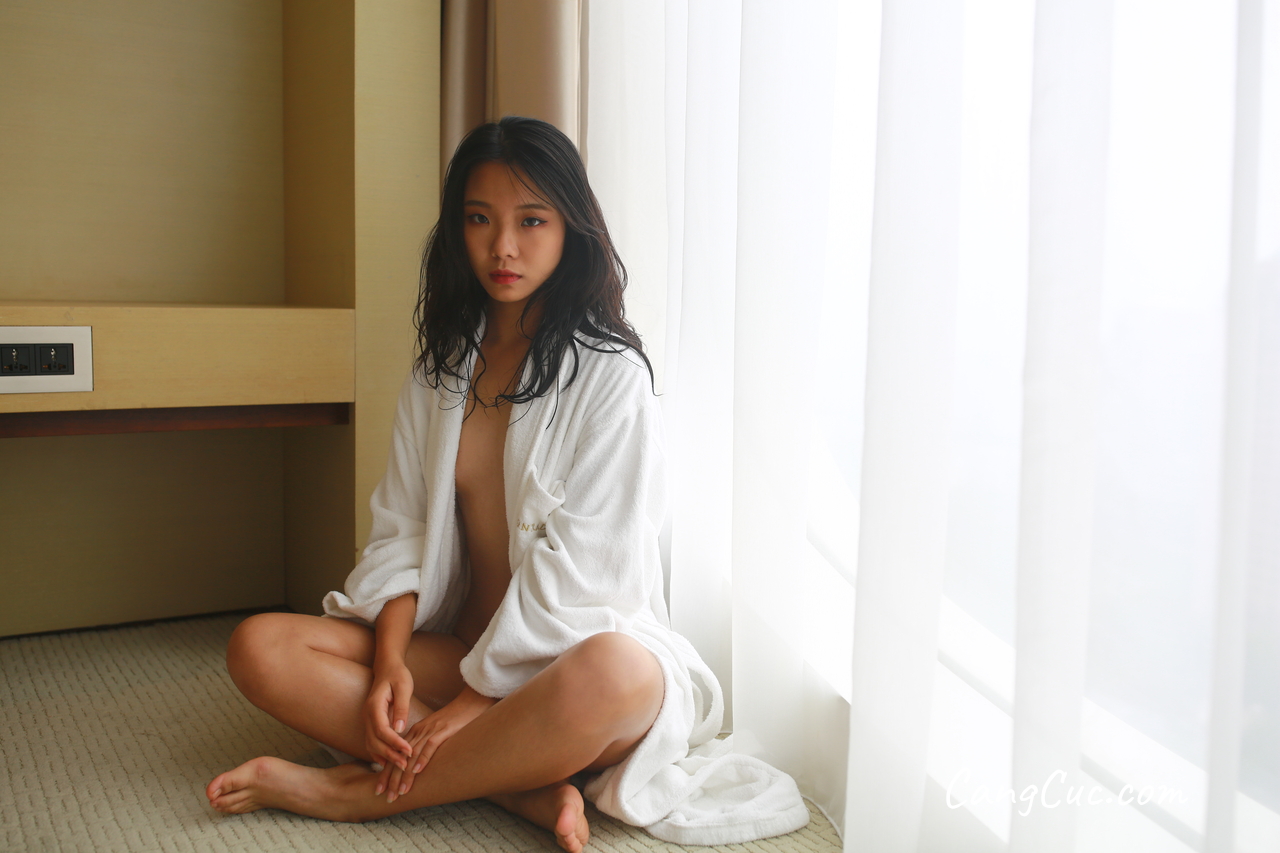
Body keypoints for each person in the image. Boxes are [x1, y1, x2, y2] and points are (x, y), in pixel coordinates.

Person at [205, 116, 806, 852]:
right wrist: (390, 661)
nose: (503, 248)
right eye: (479, 219)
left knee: (618, 672)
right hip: (462, 644)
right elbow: (403, 533)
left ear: (571, 228)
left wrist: (475, 700)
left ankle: (354, 795)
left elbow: (590, 573)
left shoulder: (612, 377)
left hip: (564, 665)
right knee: (261, 646)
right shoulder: (439, 373)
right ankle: (517, 782)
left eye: (531, 220)